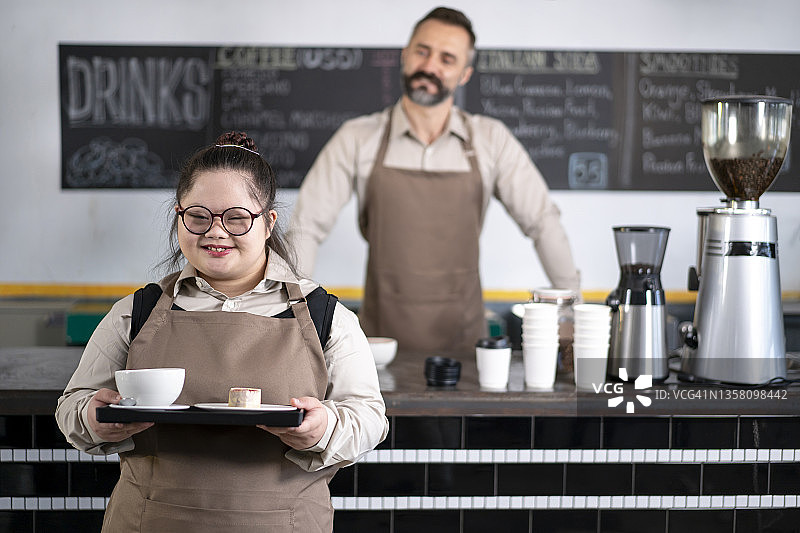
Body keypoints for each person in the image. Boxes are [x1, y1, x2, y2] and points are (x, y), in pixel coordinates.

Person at [55, 131, 388, 533]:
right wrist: (94, 419)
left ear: (268, 223)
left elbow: (369, 419)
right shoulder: (136, 312)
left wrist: (325, 429)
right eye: (198, 216)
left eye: (236, 218)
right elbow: (71, 406)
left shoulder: (326, 317)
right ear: (179, 217)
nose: (215, 232)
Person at [288, 6, 581, 357]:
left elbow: (542, 221)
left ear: (464, 74)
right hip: (378, 348)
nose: (430, 66)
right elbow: (307, 226)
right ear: (405, 55)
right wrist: (294, 313)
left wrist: (572, 310)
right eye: (422, 51)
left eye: (446, 59)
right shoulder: (357, 138)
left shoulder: (491, 140)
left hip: (465, 345)